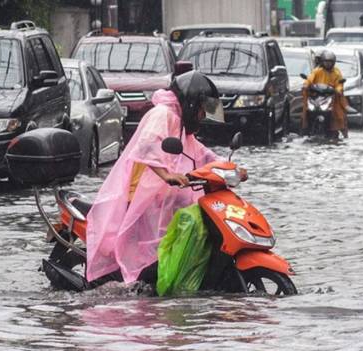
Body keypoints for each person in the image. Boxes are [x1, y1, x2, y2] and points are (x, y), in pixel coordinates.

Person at [84, 71, 244, 284]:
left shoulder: (179, 123)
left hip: (160, 197)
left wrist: (229, 168)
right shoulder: (163, 114)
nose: (202, 116)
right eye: (201, 110)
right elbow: (147, 146)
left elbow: (200, 153)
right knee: (149, 256)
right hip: (140, 196)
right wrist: (166, 175)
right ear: (191, 103)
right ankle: (136, 287)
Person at [301, 50, 348, 139]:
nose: (328, 64)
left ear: (333, 63)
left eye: (330, 62)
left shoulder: (337, 72)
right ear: (322, 62)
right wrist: (306, 85)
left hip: (331, 97)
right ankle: (306, 127)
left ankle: (339, 129)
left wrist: (338, 90)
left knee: (339, 114)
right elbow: (310, 79)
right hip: (316, 97)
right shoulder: (317, 71)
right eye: (326, 62)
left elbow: (339, 84)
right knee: (305, 110)